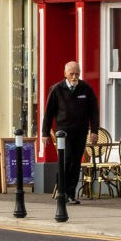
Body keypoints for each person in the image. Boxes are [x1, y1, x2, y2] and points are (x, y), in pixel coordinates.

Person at [41, 60, 97, 204]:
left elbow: (94, 112)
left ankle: (71, 194)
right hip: (63, 133)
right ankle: (62, 191)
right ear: (65, 74)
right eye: (71, 74)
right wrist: (45, 133)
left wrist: (94, 131)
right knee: (66, 160)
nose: (74, 77)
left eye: (77, 74)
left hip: (80, 132)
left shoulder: (86, 89)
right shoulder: (57, 89)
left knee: (76, 163)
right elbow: (48, 113)